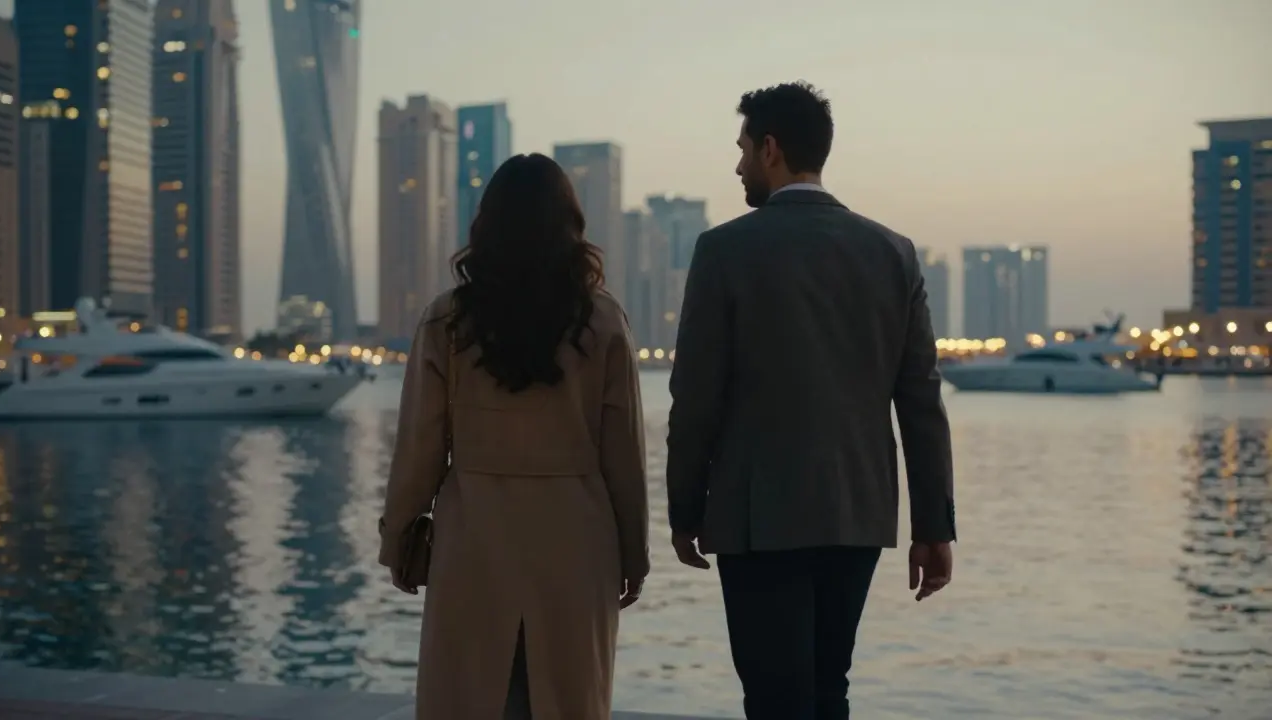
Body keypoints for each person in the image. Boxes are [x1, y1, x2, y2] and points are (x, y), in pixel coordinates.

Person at [665, 81, 957, 719]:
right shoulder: (892, 252)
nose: (737, 164)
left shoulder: (724, 250)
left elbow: (695, 398)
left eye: (742, 148)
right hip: (856, 512)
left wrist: (685, 508)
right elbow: (921, 402)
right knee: (830, 690)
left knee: (773, 698)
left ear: (770, 149)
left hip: (756, 518)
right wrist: (933, 527)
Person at [378, 153, 650, 720]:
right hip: (577, 540)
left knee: (472, 698)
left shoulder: (445, 321)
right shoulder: (602, 322)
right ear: (570, 228)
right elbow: (623, 453)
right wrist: (634, 552)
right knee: (567, 699)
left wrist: (399, 537)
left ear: (486, 225)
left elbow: (419, 448)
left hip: (474, 538)